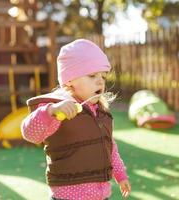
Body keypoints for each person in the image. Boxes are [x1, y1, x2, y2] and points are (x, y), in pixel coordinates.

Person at [21, 39, 131, 200]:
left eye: (103, 76)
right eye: (92, 75)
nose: (100, 81)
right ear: (70, 80)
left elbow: (110, 148)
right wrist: (50, 111)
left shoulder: (101, 113)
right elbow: (30, 133)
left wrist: (120, 175)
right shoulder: (58, 110)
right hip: (68, 195)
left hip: (102, 194)